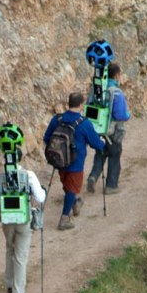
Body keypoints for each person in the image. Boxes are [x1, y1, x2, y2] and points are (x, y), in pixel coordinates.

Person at [0, 148, 46, 293]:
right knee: (20, 255)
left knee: (9, 249)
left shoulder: (0, 177)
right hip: (23, 219)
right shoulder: (28, 175)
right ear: (20, 159)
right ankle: (18, 292)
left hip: (7, 220)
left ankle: (9, 284)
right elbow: (40, 197)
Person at [43, 92, 105, 230]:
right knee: (72, 188)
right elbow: (95, 144)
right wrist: (103, 144)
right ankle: (65, 218)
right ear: (81, 104)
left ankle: (75, 202)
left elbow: (47, 138)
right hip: (75, 163)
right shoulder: (84, 123)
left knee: (68, 185)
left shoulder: (57, 119)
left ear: (68, 103)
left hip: (59, 160)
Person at [86, 62, 131, 195]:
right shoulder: (117, 93)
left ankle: (93, 177)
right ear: (117, 75)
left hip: (98, 130)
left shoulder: (96, 90)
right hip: (113, 131)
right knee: (114, 155)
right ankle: (111, 186)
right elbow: (120, 115)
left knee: (100, 153)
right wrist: (128, 115)